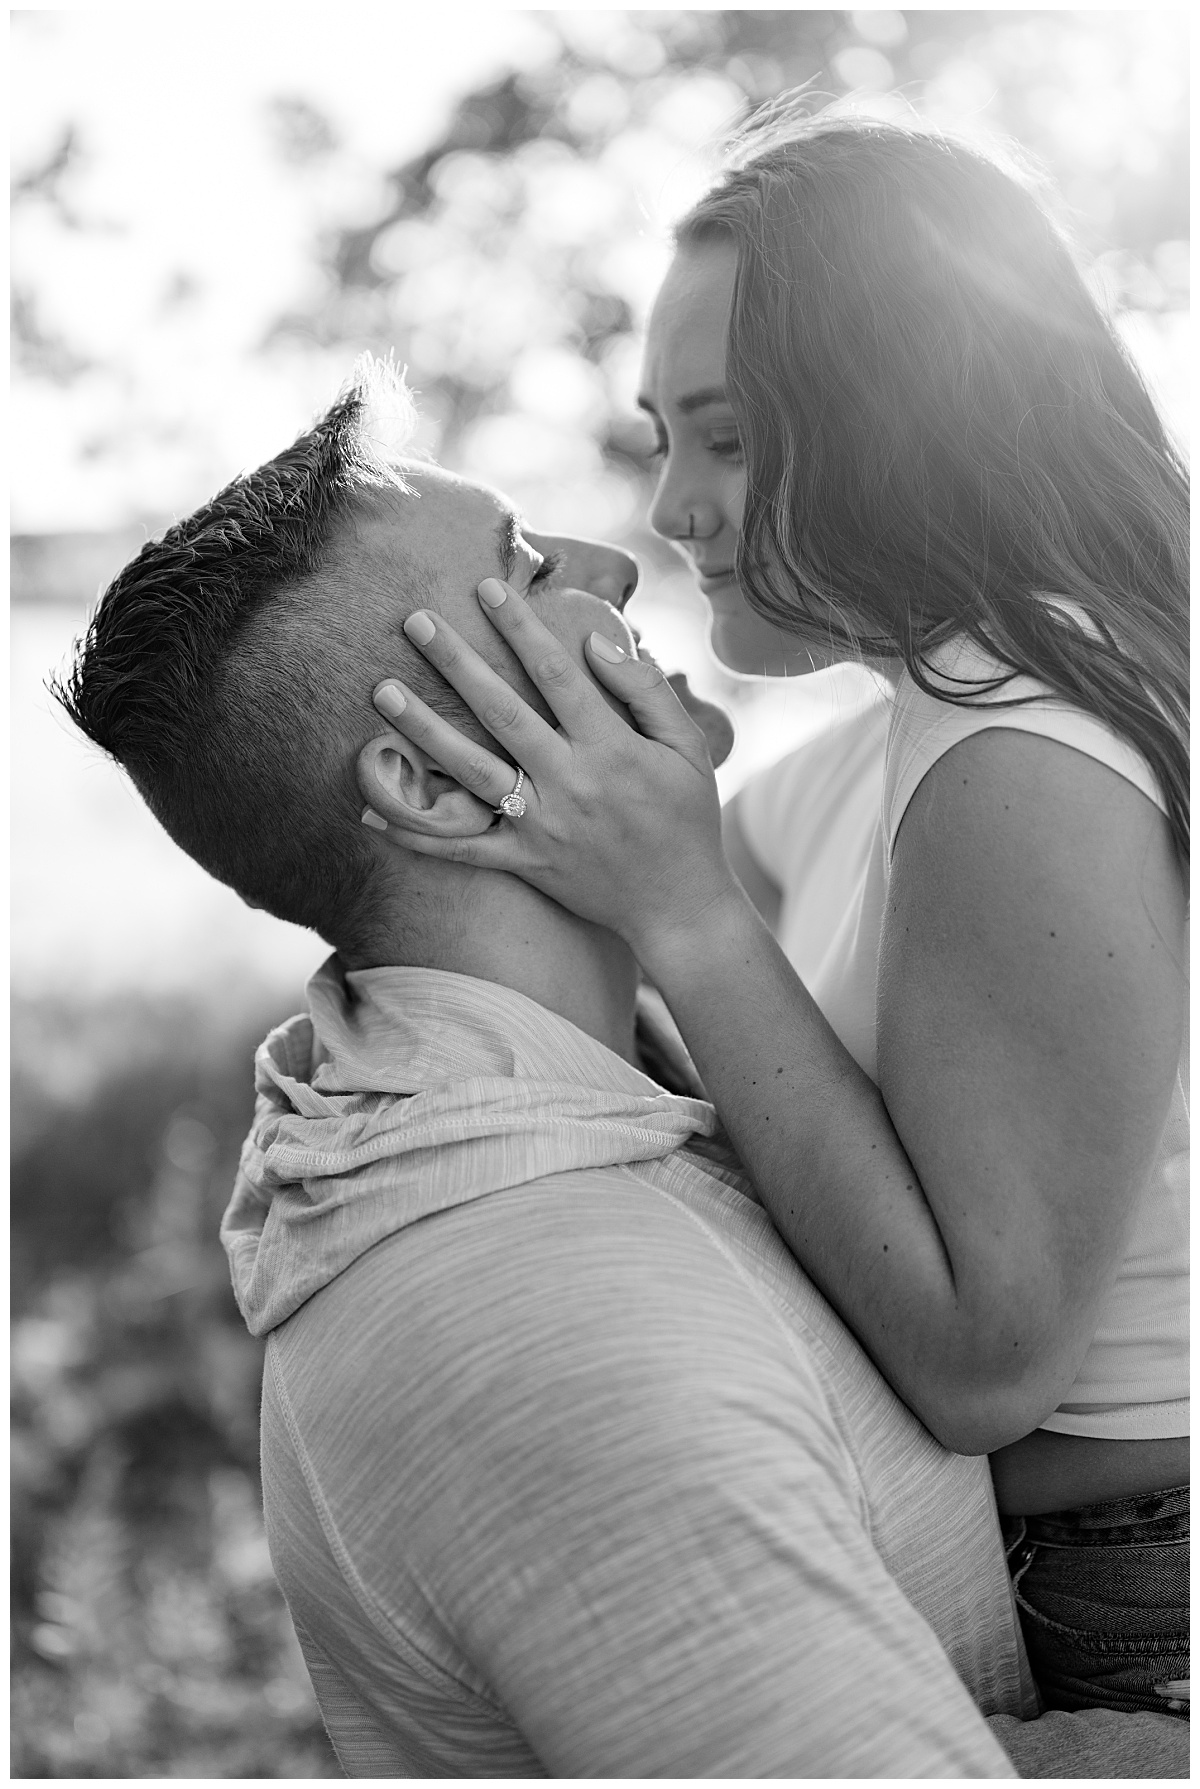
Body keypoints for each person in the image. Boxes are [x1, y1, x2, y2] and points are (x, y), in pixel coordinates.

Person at [52, 363, 1189, 1777]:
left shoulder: (588, 1089)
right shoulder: (547, 1325)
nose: (620, 561)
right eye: (527, 565)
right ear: (430, 776)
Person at [358, 115, 1190, 1721]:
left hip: (1133, 1598)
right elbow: (660, 941)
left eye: (730, 437)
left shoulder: (1022, 758)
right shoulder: (914, 722)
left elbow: (980, 1362)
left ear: (917, 415)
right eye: (662, 433)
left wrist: (682, 912)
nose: (672, 507)